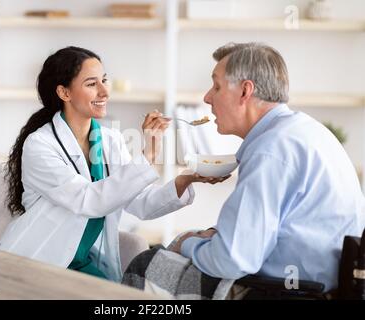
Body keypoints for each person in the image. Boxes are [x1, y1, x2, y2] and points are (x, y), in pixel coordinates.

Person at [122, 42, 365, 298]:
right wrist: (213, 236)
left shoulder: (270, 150)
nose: (207, 98)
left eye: (216, 86)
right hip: (325, 283)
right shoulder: (304, 130)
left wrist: (188, 243)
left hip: (282, 292)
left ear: (245, 91)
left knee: (146, 265)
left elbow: (232, 260)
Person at [0, 46, 229, 282]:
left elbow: (141, 203)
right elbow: (89, 200)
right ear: (64, 93)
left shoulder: (110, 140)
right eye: (91, 84)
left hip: (80, 263)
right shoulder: (40, 145)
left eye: (104, 80)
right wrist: (147, 156)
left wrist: (186, 178)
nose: (105, 91)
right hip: (39, 263)